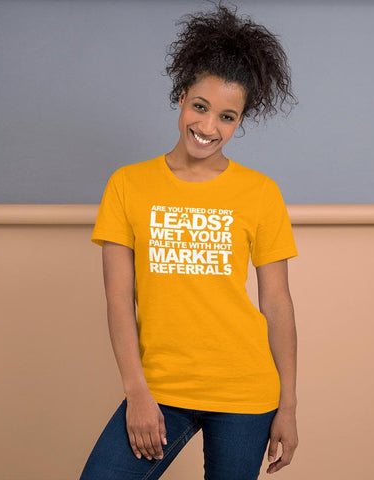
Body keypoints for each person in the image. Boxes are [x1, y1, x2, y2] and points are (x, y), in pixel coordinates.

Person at [80, 2, 299, 478]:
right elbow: (119, 298)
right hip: (160, 388)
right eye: (200, 107)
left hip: (246, 392)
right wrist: (136, 389)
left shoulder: (260, 192)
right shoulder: (128, 185)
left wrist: (288, 403)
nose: (208, 127)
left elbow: (277, 303)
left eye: (227, 116)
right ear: (181, 97)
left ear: (240, 120)